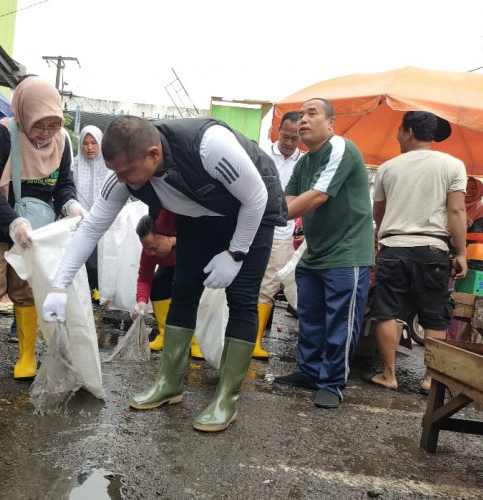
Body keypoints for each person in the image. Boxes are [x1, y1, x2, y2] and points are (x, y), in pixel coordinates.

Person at [43, 115, 287, 432]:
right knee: (183, 291)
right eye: (116, 172)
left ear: (153, 155)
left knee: (241, 300)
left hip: (251, 211)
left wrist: (235, 252)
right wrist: (59, 285)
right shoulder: (125, 172)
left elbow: (256, 197)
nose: (121, 180)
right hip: (199, 217)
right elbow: (91, 228)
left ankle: (227, 397)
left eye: (127, 173)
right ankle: (169, 382)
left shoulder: (208, 146)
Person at [0, 76, 84, 384]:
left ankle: (27, 356)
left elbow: (64, 185)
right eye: (38, 125)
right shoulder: (2, 135)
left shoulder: (63, 143)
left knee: (25, 290)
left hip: (36, 232)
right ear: (23, 115)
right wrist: (13, 222)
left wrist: (71, 205)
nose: (46, 133)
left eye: (53, 124)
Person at [275, 98, 374, 409]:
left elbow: (316, 197)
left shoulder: (341, 148)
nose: (303, 119)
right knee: (311, 317)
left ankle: (333, 382)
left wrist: (265, 216)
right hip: (314, 251)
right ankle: (309, 371)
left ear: (331, 123)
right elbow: (289, 197)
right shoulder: (304, 161)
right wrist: (273, 213)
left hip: (347, 253)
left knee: (340, 322)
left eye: (312, 113)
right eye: (301, 114)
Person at [366, 111, 467, 393]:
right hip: (433, 249)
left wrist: (379, 241)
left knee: (387, 312)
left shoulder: (388, 167)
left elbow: (379, 213)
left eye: (400, 130)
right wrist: (460, 252)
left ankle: (389, 375)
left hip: (394, 247)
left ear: (409, 131)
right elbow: (456, 210)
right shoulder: (452, 165)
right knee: (435, 314)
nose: (398, 135)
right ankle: (430, 379)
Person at [253, 111, 302, 359]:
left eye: (295, 138)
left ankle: (255, 341)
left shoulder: (304, 162)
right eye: (285, 136)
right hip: (254, 228)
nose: (289, 142)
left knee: (269, 286)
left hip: (283, 232)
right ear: (277, 131)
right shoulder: (259, 154)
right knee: (247, 283)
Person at [130, 210, 204, 359]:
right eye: (146, 248)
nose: (150, 253)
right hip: (170, 266)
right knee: (158, 284)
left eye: (154, 247)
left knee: (187, 292)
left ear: (169, 237)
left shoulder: (189, 240)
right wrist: (142, 302)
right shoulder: (149, 252)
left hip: (196, 266)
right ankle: (165, 334)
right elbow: (144, 278)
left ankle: (198, 340)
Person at [73, 125, 108, 294]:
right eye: (85, 143)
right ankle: (88, 289)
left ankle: (102, 289)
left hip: (106, 219)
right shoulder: (76, 164)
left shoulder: (109, 165)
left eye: (93, 143)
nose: (89, 148)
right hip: (82, 219)